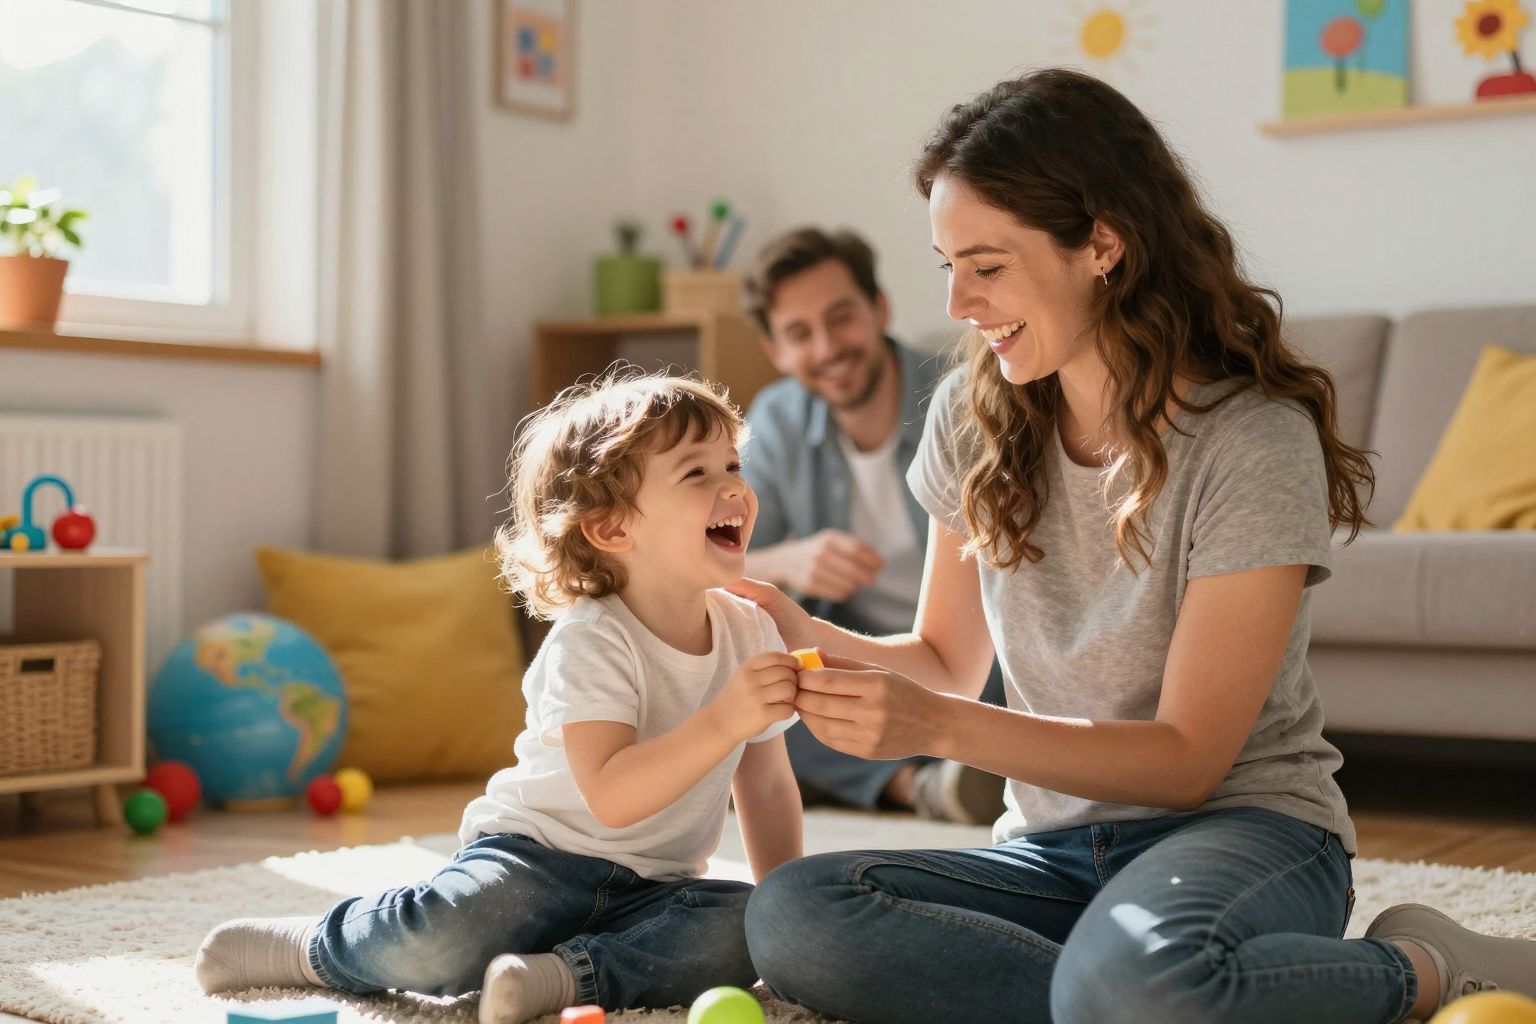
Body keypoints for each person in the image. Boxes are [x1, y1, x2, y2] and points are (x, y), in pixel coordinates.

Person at [735, 69, 1536, 1024]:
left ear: (1103, 244)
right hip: (1052, 849)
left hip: (1247, 833)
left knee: (1130, 983)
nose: (955, 302)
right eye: (946, 264)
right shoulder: (969, 415)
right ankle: (1150, 993)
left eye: (987, 267)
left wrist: (938, 729)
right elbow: (947, 661)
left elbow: (1189, 759)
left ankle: (1420, 969)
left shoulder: (1250, 438)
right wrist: (791, 625)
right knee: (796, 913)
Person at [195, 373, 804, 1024]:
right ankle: (312, 946)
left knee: (740, 928)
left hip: (659, 889)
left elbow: (765, 786)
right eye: (696, 473)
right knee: (445, 940)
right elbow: (613, 794)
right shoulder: (593, 639)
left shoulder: (750, 632)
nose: (733, 487)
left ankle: (559, 980)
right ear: (610, 528)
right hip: (533, 863)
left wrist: (787, 914)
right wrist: (721, 721)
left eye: (732, 464)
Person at [741, 226, 1006, 825]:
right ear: (775, 352)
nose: (828, 347)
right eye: (799, 334)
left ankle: (952, 762)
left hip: (980, 656)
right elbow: (708, 568)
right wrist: (787, 560)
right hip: (860, 656)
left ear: (879, 308)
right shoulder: (776, 423)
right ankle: (920, 786)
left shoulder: (966, 394)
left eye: (842, 319)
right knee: (742, 691)